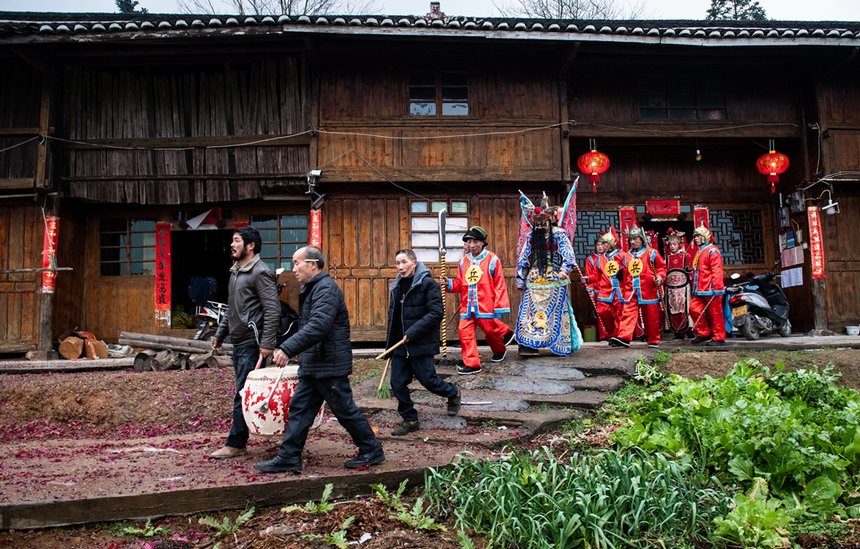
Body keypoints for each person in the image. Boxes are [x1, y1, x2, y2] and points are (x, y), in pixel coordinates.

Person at [256, 246, 384, 473]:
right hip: (315, 363)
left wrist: (287, 348)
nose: (293, 268)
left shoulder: (325, 290)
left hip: (328, 364)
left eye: (297, 263)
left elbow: (318, 327)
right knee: (300, 410)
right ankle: (288, 456)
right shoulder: (313, 288)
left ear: (312, 264)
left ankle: (372, 449)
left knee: (344, 410)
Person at [209, 226, 281, 459]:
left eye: (237, 240)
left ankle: (236, 443)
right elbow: (232, 307)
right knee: (244, 391)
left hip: (253, 342)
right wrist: (221, 333)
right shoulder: (236, 271)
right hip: (239, 342)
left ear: (250, 246)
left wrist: (268, 343)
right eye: (232, 240)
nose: (232, 244)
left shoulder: (260, 272)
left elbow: (272, 309)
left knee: (242, 392)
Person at [385, 249, 461, 436]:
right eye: (397, 263)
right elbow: (394, 316)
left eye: (404, 262)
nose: (400, 267)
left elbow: (436, 313)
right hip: (400, 345)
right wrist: (390, 343)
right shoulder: (397, 286)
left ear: (414, 262)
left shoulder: (428, 284)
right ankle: (410, 419)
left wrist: (413, 332)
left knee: (429, 381)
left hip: (420, 344)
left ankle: (453, 392)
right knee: (397, 384)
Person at [514, 199, 582, 356]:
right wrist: (520, 278)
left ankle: (560, 343)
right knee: (530, 312)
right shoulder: (531, 236)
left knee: (556, 311)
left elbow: (569, 256)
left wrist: (565, 270)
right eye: (537, 224)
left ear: (550, 220)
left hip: (555, 279)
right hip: (534, 279)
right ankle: (528, 345)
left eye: (542, 223)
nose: (539, 227)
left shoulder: (559, 234)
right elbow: (524, 258)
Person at [444, 226, 511, 375]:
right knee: (464, 332)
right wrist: (448, 283)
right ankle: (472, 364)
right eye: (469, 241)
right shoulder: (463, 262)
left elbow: (499, 284)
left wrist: (499, 306)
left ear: (482, 242)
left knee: (490, 329)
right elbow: (460, 284)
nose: (472, 245)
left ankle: (500, 347)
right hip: (467, 306)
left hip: (485, 304)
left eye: (475, 241)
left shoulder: (492, 260)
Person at [612, 225, 666, 348]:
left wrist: (660, 277)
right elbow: (624, 273)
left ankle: (653, 339)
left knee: (651, 316)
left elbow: (662, 268)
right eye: (631, 239)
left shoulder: (652, 253)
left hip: (648, 289)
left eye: (635, 239)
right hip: (631, 289)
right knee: (627, 312)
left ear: (641, 239)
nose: (632, 242)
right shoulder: (626, 256)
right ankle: (623, 337)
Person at [689, 224, 727, 346]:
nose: (696, 239)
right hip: (699, 288)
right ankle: (703, 333)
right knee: (693, 309)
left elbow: (717, 270)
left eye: (698, 236)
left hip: (711, 288)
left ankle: (719, 337)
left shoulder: (712, 250)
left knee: (715, 313)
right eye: (695, 237)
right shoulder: (700, 251)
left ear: (705, 237)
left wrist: (718, 287)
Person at [591, 231, 626, 345]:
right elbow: (595, 275)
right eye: (602, 244)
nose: (603, 246)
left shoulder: (622, 255)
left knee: (619, 314)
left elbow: (629, 270)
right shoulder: (600, 259)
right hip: (605, 290)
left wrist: (623, 273)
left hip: (619, 290)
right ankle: (611, 333)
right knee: (602, 312)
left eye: (605, 243)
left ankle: (617, 336)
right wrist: (587, 280)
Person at [663, 229, 693, 339]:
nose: (672, 246)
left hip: (683, 288)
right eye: (670, 244)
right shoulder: (666, 258)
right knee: (672, 309)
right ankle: (677, 332)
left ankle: (689, 330)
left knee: (685, 308)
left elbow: (690, 271)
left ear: (679, 245)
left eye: (674, 244)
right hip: (670, 289)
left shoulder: (686, 256)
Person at [584, 234, 609, 341]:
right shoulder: (591, 259)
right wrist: (590, 290)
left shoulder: (610, 256)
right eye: (598, 245)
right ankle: (604, 335)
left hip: (610, 289)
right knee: (600, 314)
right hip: (597, 290)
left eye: (602, 245)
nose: (600, 247)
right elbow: (589, 275)